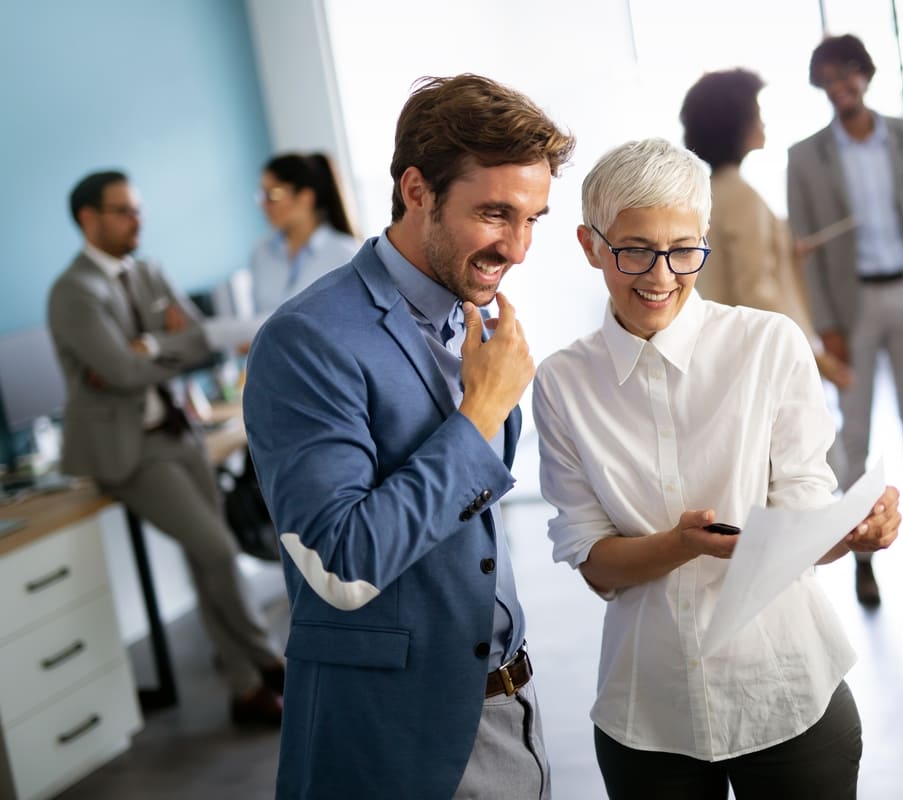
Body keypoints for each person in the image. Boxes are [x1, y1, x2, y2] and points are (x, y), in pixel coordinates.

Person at [533, 137, 901, 799]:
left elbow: (804, 514)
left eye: (683, 250)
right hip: (650, 714)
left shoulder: (768, 344)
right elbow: (594, 564)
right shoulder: (564, 382)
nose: (661, 275)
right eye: (635, 249)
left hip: (787, 692)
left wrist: (850, 532)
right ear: (591, 246)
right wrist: (676, 547)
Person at [242, 74, 575, 799]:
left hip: (510, 709)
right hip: (396, 737)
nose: (517, 249)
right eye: (494, 214)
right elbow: (341, 564)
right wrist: (480, 413)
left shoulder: (476, 315)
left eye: (532, 219)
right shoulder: (306, 341)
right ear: (417, 189)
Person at [47, 170, 286, 726]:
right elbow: (122, 370)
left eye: (138, 209)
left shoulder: (149, 272)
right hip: (128, 450)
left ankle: (245, 688)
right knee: (219, 551)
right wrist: (152, 353)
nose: (138, 220)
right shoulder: (74, 292)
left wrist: (154, 344)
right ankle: (267, 662)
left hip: (179, 432)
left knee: (208, 559)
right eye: (123, 211)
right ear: (89, 218)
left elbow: (203, 341)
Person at [786, 33, 903, 606]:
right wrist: (825, 323)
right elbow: (804, 248)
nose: (841, 89)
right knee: (853, 436)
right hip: (853, 305)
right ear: (822, 89)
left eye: (848, 76)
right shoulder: (805, 156)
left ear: (866, 75)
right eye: (830, 81)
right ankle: (863, 552)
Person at [679, 67, 851, 388]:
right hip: (766, 361)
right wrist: (818, 359)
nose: (763, 123)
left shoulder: (708, 192)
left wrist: (787, 252)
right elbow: (755, 292)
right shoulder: (743, 197)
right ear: (735, 124)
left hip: (730, 356)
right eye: (756, 114)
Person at [250, 151, 359, 315]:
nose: (264, 204)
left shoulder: (346, 254)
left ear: (305, 197)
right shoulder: (261, 252)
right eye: (262, 195)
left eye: (273, 195)